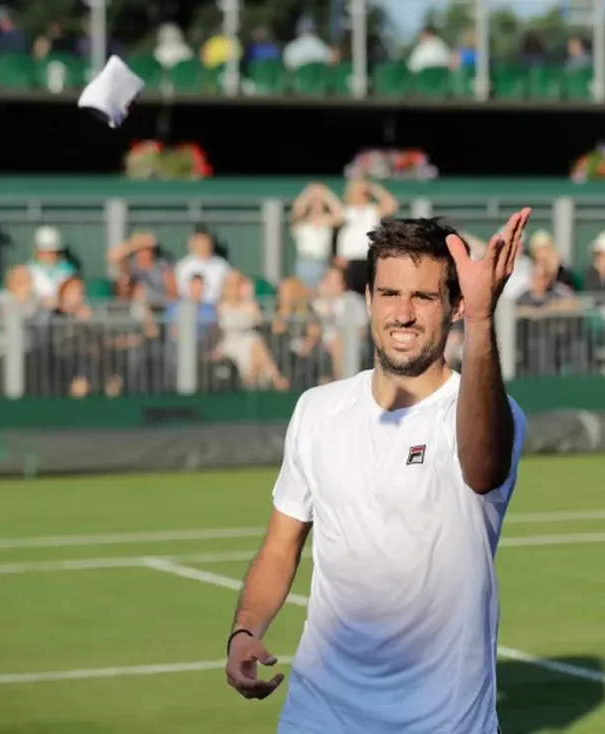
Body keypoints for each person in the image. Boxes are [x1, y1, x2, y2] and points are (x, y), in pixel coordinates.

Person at [224, 212, 531, 734]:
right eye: (389, 294)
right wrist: (245, 630)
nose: (403, 314)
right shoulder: (317, 410)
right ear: (368, 299)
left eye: (424, 297)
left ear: (455, 306)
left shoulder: (486, 413)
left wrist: (483, 320)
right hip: (319, 716)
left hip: (444, 723)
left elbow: (483, 469)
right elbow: (280, 547)